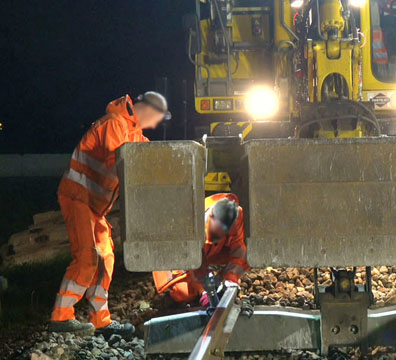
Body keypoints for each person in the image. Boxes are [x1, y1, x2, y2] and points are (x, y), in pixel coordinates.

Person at [50, 92, 170, 337]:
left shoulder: (133, 132)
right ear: (145, 109)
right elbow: (123, 160)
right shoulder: (114, 124)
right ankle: (61, 318)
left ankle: (100, 320)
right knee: (87, 257)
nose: (156, 124)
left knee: (105, 258)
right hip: (78, 195)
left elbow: (149, 159)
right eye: (157, 118)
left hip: (94, 205)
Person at [152, 193, 249, 305]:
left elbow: (238, 247)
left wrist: (231, 277)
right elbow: (193, 263)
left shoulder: (233, 214)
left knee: (247, 257)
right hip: (175, 256)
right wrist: (203, 290)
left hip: (208, 249)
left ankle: (220, 282)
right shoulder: (188, 227)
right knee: (182, 293)